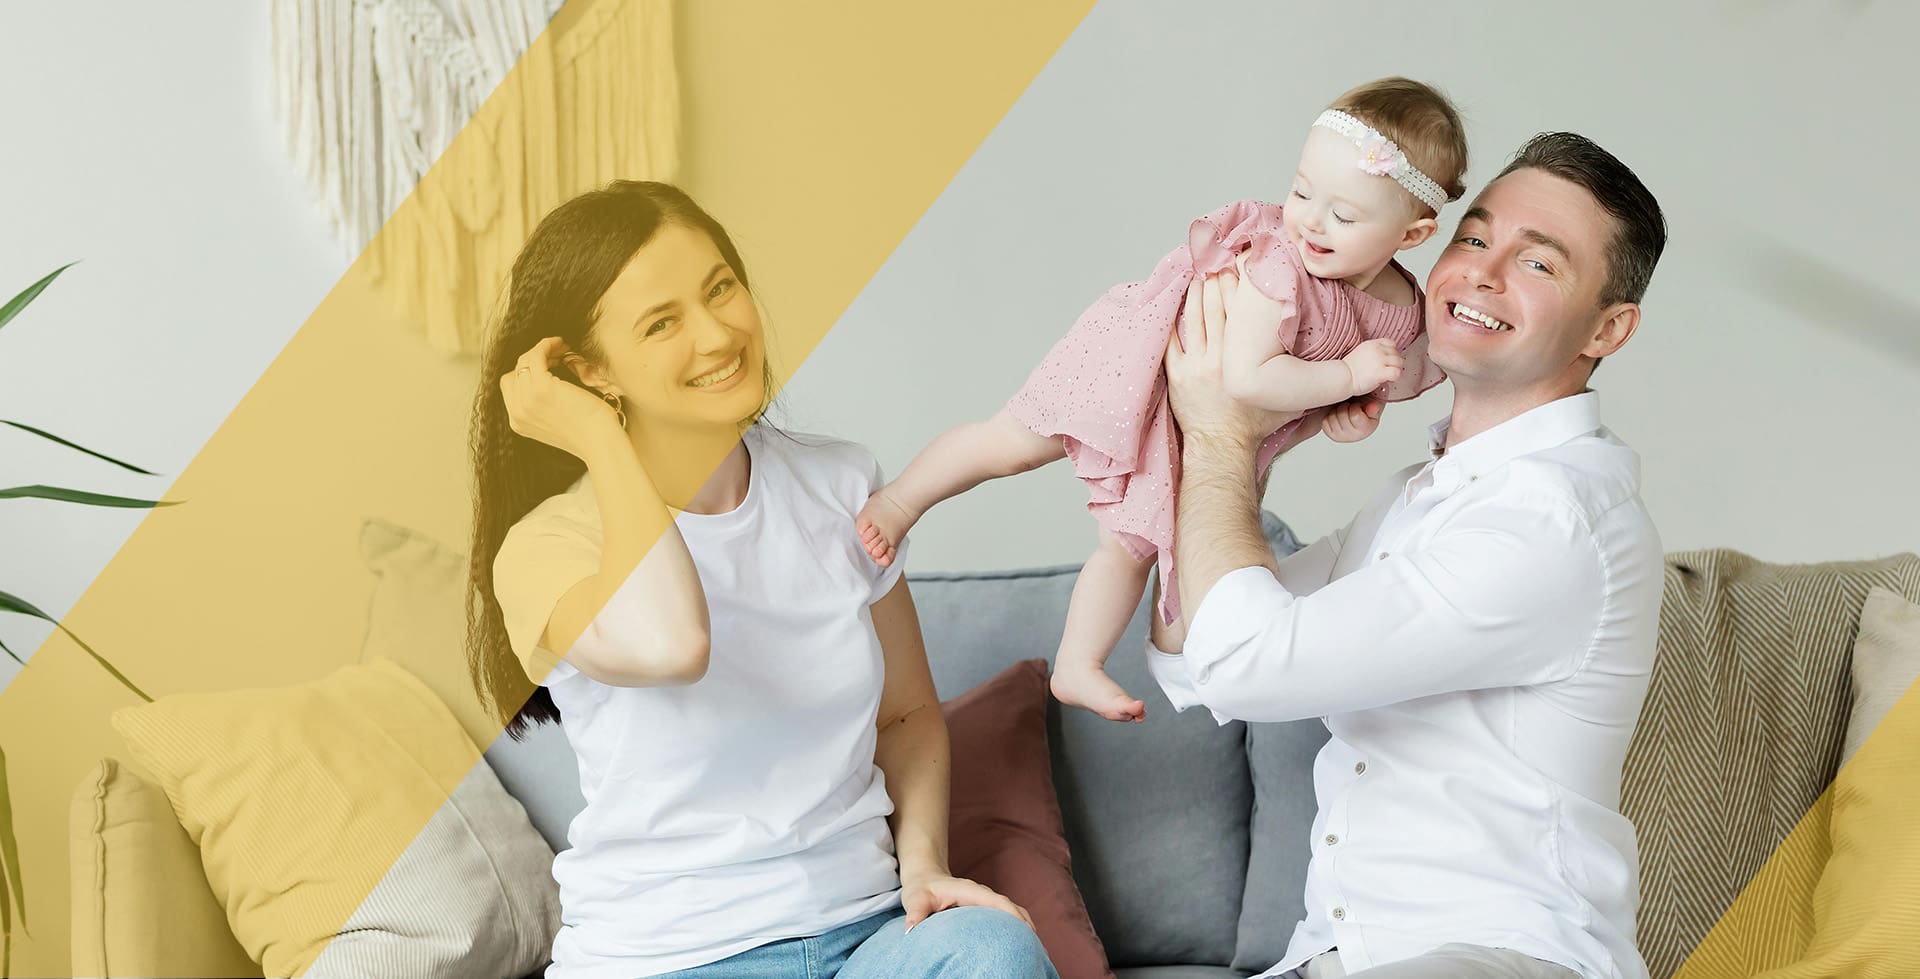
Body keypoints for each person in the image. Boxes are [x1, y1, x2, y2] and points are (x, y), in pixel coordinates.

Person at [465, 180, 1058, 979]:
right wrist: (597, 438)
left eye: (720, 288)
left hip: (863, 937)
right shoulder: (547, 548)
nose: (717, 334)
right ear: (586, 370)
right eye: (662, 323)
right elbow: (675, 642)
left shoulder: (842, 486)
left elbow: (910, 712)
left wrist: (922, 865)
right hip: (668, 959)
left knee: (995, 953)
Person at [1155, 132, 1668, 979]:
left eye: (1538, 264)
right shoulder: (1417, 495)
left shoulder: (1550, 518)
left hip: (1502, 956)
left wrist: (1217, 430)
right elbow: (1192, 655)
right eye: (1474, 237)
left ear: (1609, 328)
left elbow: (1249, 665)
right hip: (1340, 957)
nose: (1483, 272)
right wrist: (1254, 428)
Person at [855, 78, 1462, 721]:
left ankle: (1077, 664)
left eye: (1343, 214)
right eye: (1301, 190)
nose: (1309, 219)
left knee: (1130, 546)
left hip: (1198, 427)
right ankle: (898, 502)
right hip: (1138, 365)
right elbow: (1249, 378)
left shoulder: (1400, 313)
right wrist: (1344, 377)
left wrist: (1346, 414)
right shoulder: (1277, 265)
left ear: (1413, 236)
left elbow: (1335, 396)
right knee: (1011, 443)